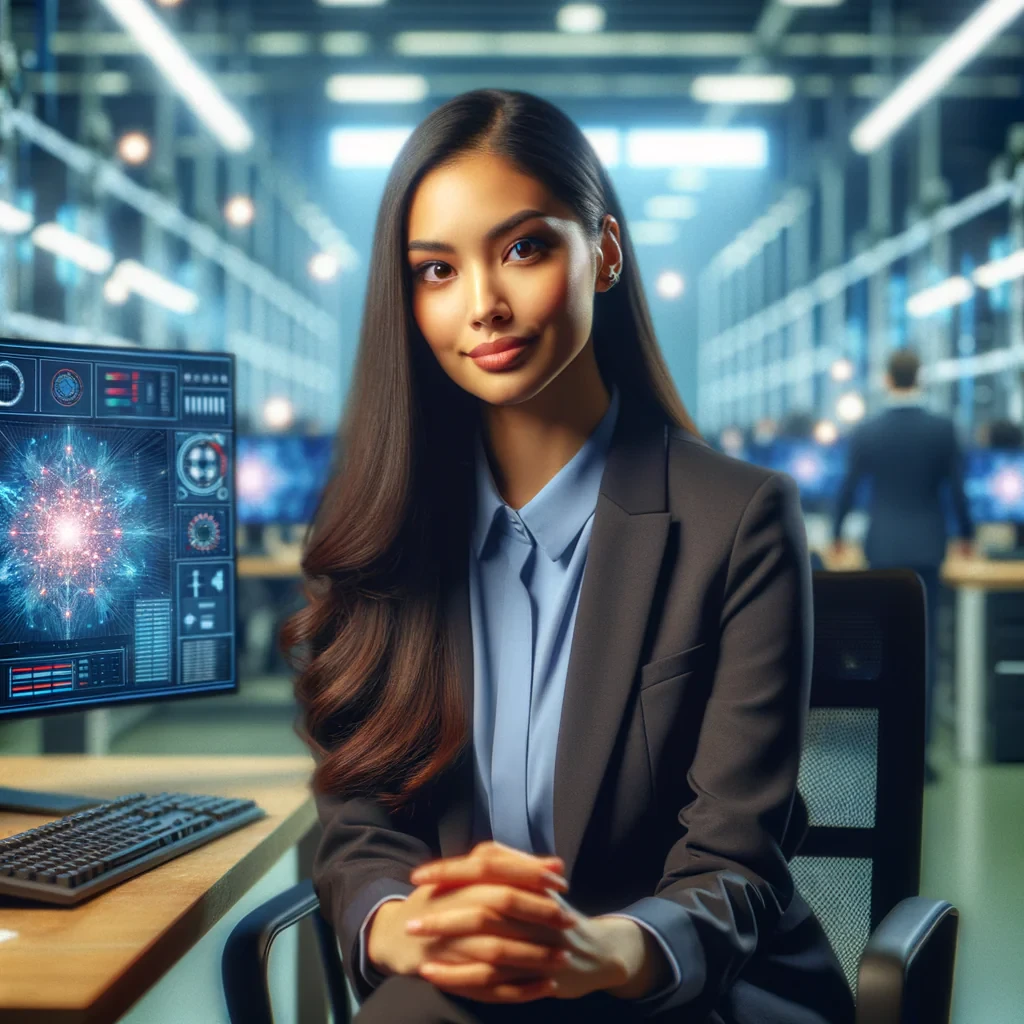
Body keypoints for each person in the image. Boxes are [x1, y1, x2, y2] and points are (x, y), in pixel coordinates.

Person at [284, 89, 853, 1024]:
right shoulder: (377, 531)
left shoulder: (739, 520)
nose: (483, 307)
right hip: (468, 986)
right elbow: (361, 825)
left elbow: (735, 859)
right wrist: (403, 925)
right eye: (435, 270)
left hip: (683, 987)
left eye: (523, 248)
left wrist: (600, 950)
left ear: (607, 254)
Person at [831, 348, 974, 785]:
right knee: (924, 652)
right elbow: (956, 491)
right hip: (928, 549)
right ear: (920, 377)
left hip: (883, 550)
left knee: (884, 651)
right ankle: (921, 755)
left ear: (887, 378)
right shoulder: (942, 429)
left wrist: (836, 534)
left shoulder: (869, 430)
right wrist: (967, 536)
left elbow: (849, 487)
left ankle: (886, 749)